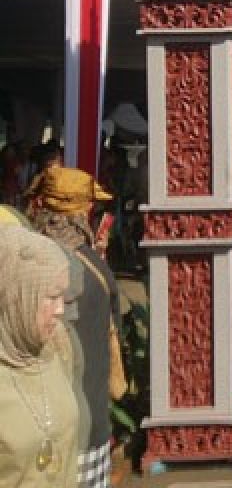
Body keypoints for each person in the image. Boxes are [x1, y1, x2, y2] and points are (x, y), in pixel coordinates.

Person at [27, 166, 118, 488]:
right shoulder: (88, 267)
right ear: (85, 211)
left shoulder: (31, 266)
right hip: (85, 421)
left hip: (43, 428)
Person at [0, 224, 78, 487]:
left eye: (62, 297)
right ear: (16, 297)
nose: (59, 311)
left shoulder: (56, 346)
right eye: (51, 297)